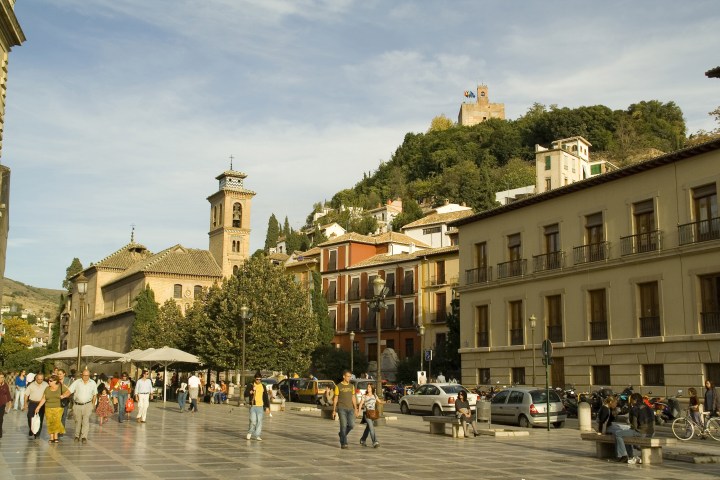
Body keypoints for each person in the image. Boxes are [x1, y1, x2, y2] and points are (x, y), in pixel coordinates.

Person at [63, 369, 97, 443]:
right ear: (82, 375)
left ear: (89, 375)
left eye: (87, 375)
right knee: (78, 421)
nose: (85, 377)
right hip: (77, 405)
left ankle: (84, 437)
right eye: (84, 375)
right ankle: (77, 436)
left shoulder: (93, 383)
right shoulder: (77, 382)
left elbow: (94, 394)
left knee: (85, 421)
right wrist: (63, 396)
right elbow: (70, 390)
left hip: (87, 404)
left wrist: (93, 405)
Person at [35, 374, 67, 443]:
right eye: (48, 381)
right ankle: (51, 437)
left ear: (55, 381)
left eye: (50, 381)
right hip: (48, 407)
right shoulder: (47, 388)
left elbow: (69, 392)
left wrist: (64, 396)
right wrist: (38, 407)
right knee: (50, 422)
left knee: (57, 421)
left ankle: (56, 436)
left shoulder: (61, 387)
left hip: (58, 407)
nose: (49, 382)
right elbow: (44, 398)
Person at [332, 370, 359, 449]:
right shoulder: (338, 386)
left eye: (350, 376)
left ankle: (341, 434)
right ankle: (344, 442)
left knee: (351, 425)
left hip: (350, 409)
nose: (349, 378)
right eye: (348, 376)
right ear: (344, 376)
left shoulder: (352, 386)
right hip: (341, 409)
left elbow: (353, 397)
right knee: (343, 426)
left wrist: (356, 408)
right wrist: (334, 410)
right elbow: (335, 398)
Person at [245, 372, 270, 441]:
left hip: (260, 406)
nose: (258, 381)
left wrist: (267, 407)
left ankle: (257, 435)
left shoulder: (263, 386)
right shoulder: (251, 385)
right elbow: (245, 393)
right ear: (254, 379)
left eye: (260, 379)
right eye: (257, 379)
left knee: (259, 421)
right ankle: (250, 432)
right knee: (253, 421)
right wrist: (250, 392)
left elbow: (265, 397)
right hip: (253, 406)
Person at [24, 372, 48, 439]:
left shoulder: (46, 384)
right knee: (30, 417)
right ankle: (31, 429)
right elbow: (26, 395)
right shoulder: (31, 385)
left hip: (41, 403)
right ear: (36, 378)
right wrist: (25, 403)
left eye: (41, 379)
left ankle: (37, 434)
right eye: (39, 379)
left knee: (40, 418)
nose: (40, 380)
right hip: (32, 403)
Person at [358, 383, 382, 447]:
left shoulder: (374, 395)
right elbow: (360, 404)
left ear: (372, 388)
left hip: (373, 414)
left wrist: (385, 401)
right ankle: (375, 442)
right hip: (367, 413)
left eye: (369, 387)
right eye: (367, 387)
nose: (368, 388)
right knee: (371, 428)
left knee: (368, 428)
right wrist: (358, 412)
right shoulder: (364, 396)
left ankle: (362, 439)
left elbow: (379, 401)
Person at [0, 373, 12, 438]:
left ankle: (0, 432)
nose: (1, 379)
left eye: (2, 377)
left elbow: (8, 394)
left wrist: (10, 402)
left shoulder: (5, 385)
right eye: (0, 377)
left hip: (2, 404)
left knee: (1, 419)